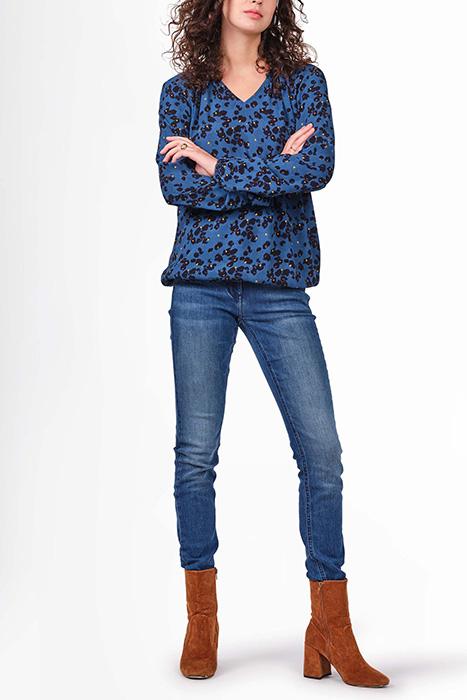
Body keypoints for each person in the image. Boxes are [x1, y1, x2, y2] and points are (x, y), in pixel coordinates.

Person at [155, 0, 390, 687]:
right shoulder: (181, 92)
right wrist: (264, 166)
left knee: (322, 454)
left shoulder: (302, 84)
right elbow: (175, 185)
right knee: (195, 455)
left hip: (280, 287)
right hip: (199, 287)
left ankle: (329, 626)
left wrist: (214, 162)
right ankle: (202, 621)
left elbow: (314, 171)